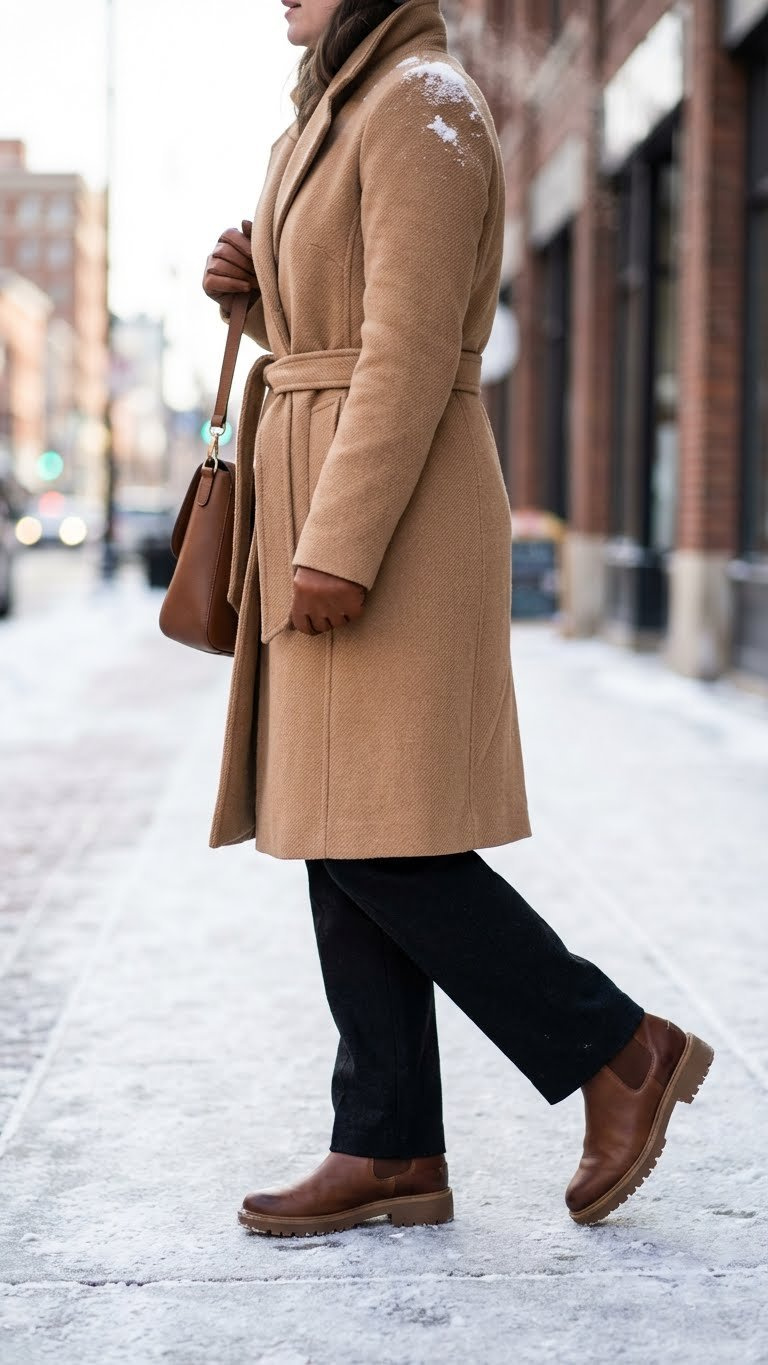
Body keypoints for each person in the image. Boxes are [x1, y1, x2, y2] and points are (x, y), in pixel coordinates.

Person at [201, 0, 713, 1238]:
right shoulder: (336, 111)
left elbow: (415, 347)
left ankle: (621, 1047)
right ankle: (387, 1146)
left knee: (380, 831)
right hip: (331, 487)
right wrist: (260, 297)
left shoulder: (423, 105)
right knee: (336, 823)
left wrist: (340, 538)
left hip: (390, 513)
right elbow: (341, 326)